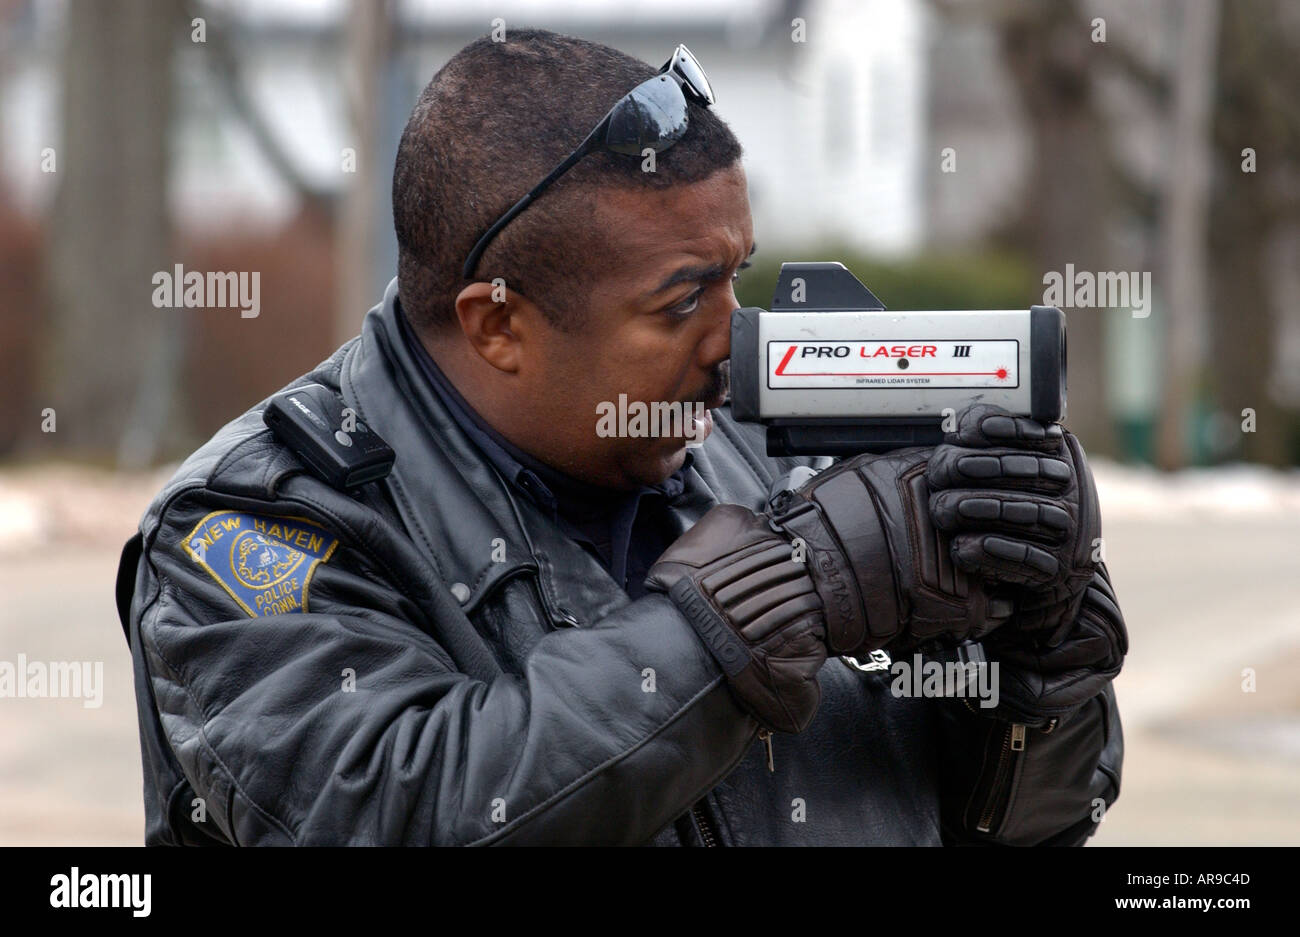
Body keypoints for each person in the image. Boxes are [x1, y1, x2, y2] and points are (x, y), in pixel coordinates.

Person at [115, 29, 1125, 846]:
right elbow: (394, 812)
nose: (739, 341)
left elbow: (1020, 825)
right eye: (684, 299)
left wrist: (1033, 662)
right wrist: (751, 616)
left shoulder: (758, 440)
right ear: (498, 323)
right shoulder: (254, 528)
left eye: (739, 274)